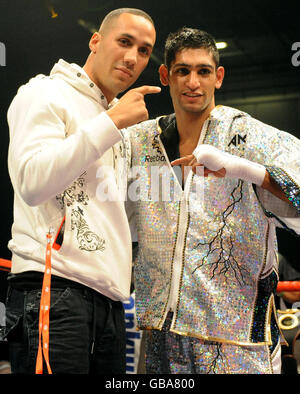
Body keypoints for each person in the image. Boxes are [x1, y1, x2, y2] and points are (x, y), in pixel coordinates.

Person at [126, 27, 300, 374]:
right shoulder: (141, 141)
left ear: (218, 77)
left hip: (236, 342)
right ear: (166, 75)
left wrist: (244, 169)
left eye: (203, 71)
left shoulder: (246, 135)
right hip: (162, 332)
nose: (193, 82)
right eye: (183, 71)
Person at [5, 8, 160, 374]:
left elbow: (115, 217)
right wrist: (112, 121)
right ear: (95, 41)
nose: (132, 57)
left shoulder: (116, 123)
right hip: (53, 288)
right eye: (124, 42)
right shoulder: (44, 91)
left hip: (110, 303)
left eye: (143, 51)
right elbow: (31, 181)